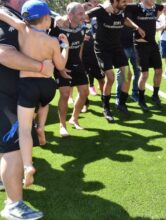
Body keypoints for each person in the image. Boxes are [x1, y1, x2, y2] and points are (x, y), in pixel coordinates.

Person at [0, 0, 55, 218]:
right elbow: (3, 53)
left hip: (15, 93)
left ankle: (7, 183)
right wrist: (41, 67)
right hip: (4, 95)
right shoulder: (4, 14)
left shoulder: (14, 15)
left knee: (8, 146)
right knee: (13, 148)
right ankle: (13, 205)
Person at [125, 0, 166, 112]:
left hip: (153, 44)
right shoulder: (134, 7)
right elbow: (124, 17)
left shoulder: (155, 7)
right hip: (140, 45)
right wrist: (136, 27)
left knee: (159, 70)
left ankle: (155, 95)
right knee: (144, 74)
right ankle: (141, 99)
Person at [86, 0, 133, 122]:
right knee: (110, 78)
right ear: (114, 1)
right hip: (102, 49)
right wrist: (101, 7)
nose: (125, 3)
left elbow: (125, 19)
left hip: (117, 48)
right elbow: (85, 16)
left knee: (128, 75)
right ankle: (106, 108)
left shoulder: (123, 10)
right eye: (123, 1)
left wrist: (137, 27)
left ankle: (121, 104)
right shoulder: (102, 10)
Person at [50, 2, 90, 137]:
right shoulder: (58, 29)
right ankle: (62, 125)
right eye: (80, 13)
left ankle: (74, 118)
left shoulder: (83, 28)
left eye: (83, 13)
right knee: (65, 94)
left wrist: (80, 62)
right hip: (61, 65)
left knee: (84, 92)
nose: (83, 16)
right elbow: (51, 51)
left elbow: (80, 46)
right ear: (70, 15)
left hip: (77, 64)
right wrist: (60, 69)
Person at [82, 1, 106, 112]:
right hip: (81, 57)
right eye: (86, 10)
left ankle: (104, 101)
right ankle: (85, 103)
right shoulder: (77, 24)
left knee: (102, 79)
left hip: (96, 54)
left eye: (90, 10)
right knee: (83, 83)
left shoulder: (97, 21)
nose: (88, 12)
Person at [116, 0, 141, 104]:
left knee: (138, 70)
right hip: (122, 46)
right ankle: (119, 96)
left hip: (135, 45)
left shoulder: (135, 8)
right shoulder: (117, 9)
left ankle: (135, 93)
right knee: (123, 73)